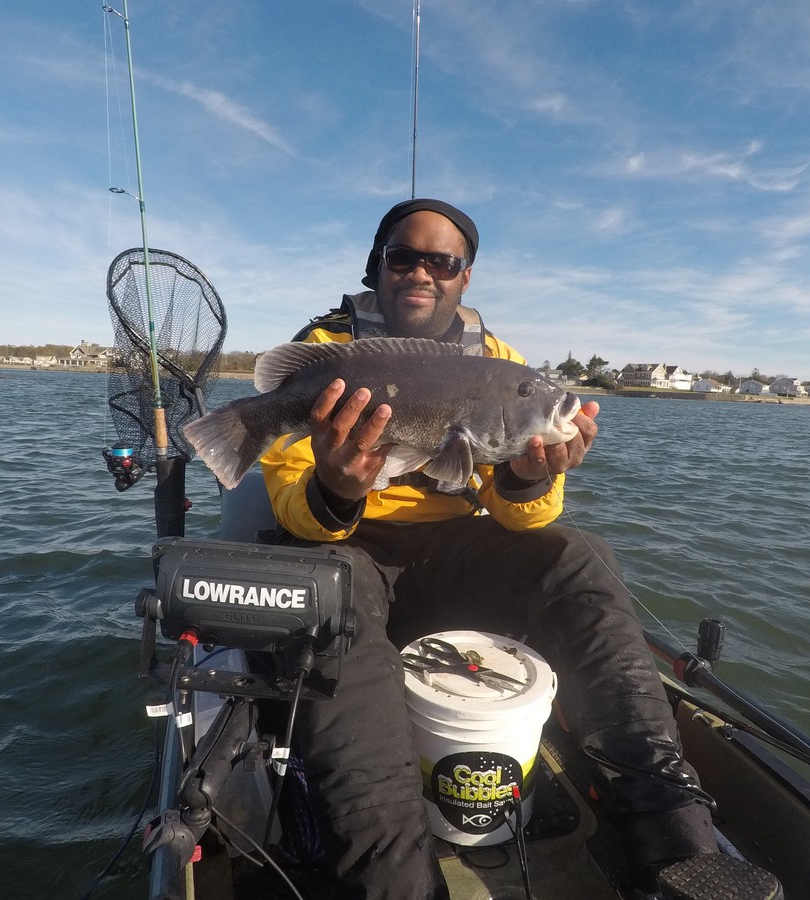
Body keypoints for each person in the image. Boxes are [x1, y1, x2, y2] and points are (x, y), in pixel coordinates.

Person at [259, 199, 762, 899]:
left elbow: (524, 520)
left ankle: (677, 843)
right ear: (377, 265)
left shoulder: (500, 365)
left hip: (459, 551)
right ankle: (394, 879)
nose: (422, 273)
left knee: (577, 554)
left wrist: (529, 475)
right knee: (329, 595)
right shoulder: (327, 353)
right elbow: (292, 502)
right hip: (352, 549)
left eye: (444, 262)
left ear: (466, 278)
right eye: (404, 256)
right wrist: (338, 487)